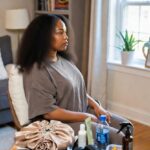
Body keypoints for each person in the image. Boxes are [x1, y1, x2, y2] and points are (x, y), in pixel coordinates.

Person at [17, 14, 132, 145]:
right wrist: (86, 117)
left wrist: (97, 106)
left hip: (82, 113)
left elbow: (78, 90)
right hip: (60, 126)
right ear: (43, 37)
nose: (66, 37)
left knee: (127, 126)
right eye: (60, 33)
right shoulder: (37, 70)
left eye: (65, 32)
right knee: (116, 138)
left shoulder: (64, 60)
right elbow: (49, 113)